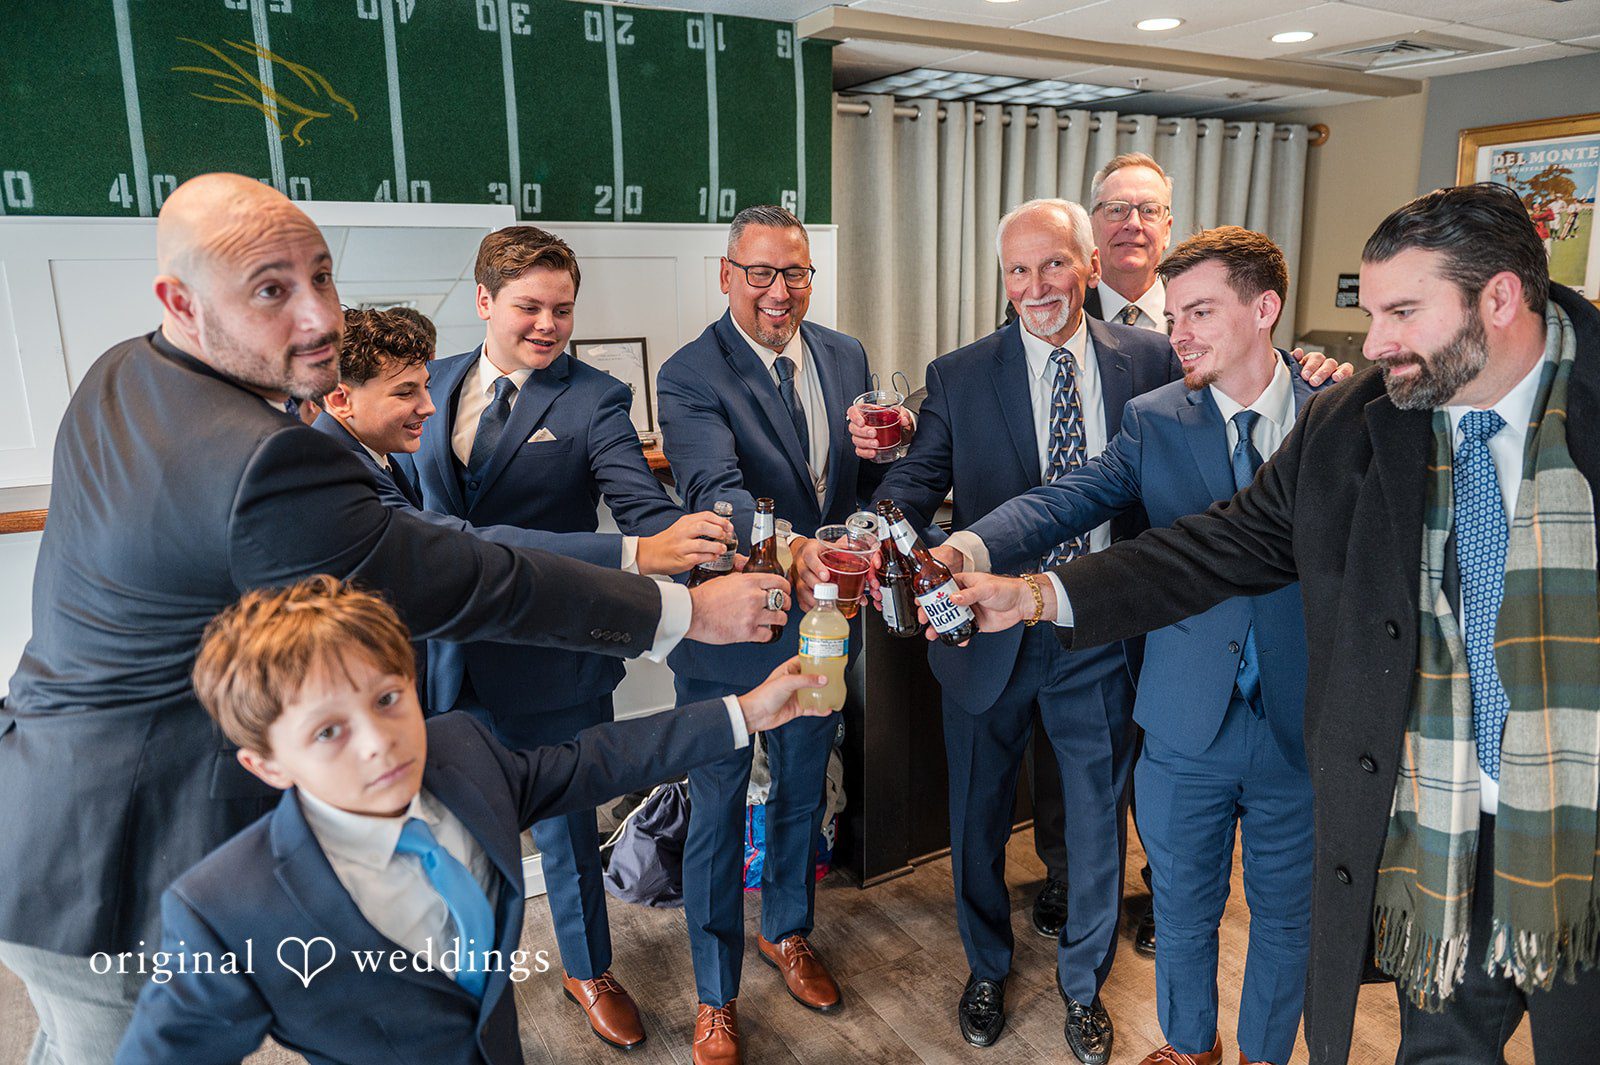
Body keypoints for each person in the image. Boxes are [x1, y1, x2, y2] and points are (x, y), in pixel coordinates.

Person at [0, 172, 785, 1064]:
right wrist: (678, 608)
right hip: (117, 860)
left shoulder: (123, 373)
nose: (320, 319)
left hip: (35, 806)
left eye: (322, 277)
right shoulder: (268, 460)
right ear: (178, 300)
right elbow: (459, 570)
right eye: (271, 290)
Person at [945, 182, 1600, 1065]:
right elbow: (1215, 543)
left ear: (1500, 297)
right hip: (1431, 831)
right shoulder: (1372, 417)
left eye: (1401, 310)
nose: (1374, 343)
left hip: (1558, 839)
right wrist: (1027, 591)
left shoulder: (1367, 403)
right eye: (1371, 315)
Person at [114, 576, 830, 1064]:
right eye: (328, 731)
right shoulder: (224, 910)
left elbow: (593, 760)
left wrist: (749, 711)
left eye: (388, 699)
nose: (378, 740)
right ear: (267, 764)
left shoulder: (459, 753)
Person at [955, 228, 1325, 1065]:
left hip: (1302, 724)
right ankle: (1190, 1048)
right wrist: (966, 550)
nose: (1177, 332)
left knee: (1285, 919)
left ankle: (1264, 1054)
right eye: (1172, 313)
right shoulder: (1154, 419)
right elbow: (1066, 499)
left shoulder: (1337, 417)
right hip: (1185, 717)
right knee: (1185, 910)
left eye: (1199, 311)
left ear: (1265, 309)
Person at [847, 197, 1180, 1063]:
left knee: (1101, 823)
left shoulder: (1150, 358)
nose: (1037, 286)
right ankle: (987, 966)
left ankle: (1082, 987)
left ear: (1091, 268)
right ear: (1003, 281)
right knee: (978, 815)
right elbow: (917, 480)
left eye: (1054, 264)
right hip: (988, 634)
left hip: (1098, 624)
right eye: (1018, 270)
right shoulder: (959, 373)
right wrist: (882, 522)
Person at [411, 226, 734, 1050]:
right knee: (444, 833)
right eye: (529, 307)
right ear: (484, 301)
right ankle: (460, 975)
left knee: (567, 832)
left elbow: (641, 510)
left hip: (551, 661)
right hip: (438, 657)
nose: (549, 325)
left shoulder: (594, 400)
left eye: (563, 309)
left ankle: (588, 968)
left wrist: (692, 550)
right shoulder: (429, 385)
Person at [655, 204, 909, 1065]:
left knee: (806, 782)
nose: (778, 290)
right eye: (758, 272)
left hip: (828, 620)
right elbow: (712, 487)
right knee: (721, 802)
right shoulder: (691, 373)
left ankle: (789, 930)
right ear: (725, 275)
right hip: (729, 623)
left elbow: (867, 477)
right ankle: (714, 994)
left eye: (794, 272)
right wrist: (800, 546)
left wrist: (894, 454)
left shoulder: (844, 354)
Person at [1082, 152, 1175, 334]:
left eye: (1149, 210)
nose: (1133, 224)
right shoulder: (1062, 312)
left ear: (1167, 231)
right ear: (1091, 227)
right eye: (1116, 209)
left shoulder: (1199, 315)